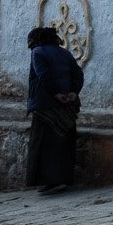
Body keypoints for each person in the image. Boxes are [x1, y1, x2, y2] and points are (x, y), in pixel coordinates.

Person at [25, 26, 84, 194]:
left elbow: (43, 75)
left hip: (46, 105)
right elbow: (78, 74)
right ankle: (63, 179)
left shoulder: (38, 52)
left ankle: (50, 181)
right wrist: (73, 92)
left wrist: (56, 94)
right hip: (67, 107)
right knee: (63, 144)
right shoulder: (64, 53)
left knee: (44, 144)